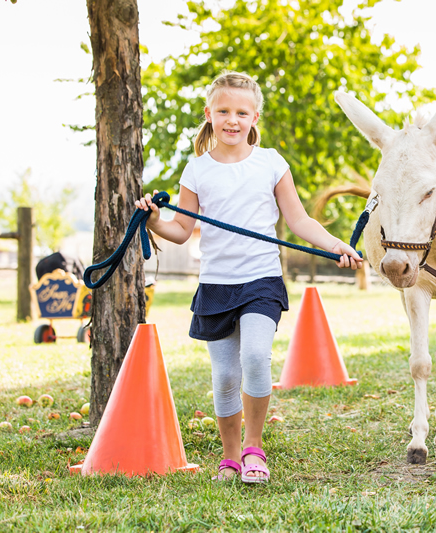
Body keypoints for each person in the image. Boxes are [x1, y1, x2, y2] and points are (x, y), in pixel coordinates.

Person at [135, 71, 362, 484]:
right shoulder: (197, 170)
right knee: (224, 376)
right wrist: (153, 220)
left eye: (241, 112)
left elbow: (298, 219)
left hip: (261, 279)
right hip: (216, 284)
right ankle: (230, 456)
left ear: (255, 117)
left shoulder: (271, 163)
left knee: (256, 358)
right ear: (209, 114)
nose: (232, 119)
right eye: (223, 111)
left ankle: (255, 447)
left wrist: (335, 245)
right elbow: (181, 231)